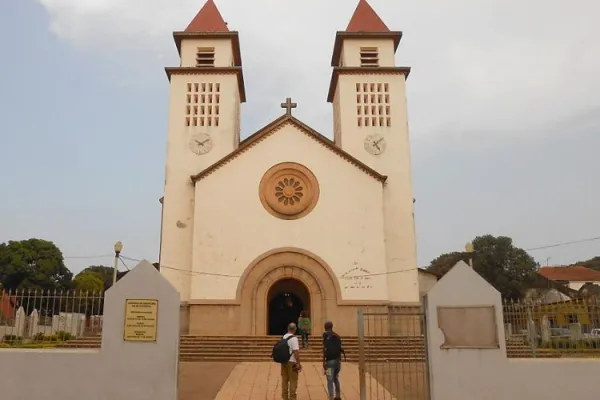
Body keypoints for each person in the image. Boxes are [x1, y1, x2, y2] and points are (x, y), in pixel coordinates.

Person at [322, 321, 344, 400]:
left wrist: (323, 361)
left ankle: (331, 397)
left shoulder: (325, 335)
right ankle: (338, 395)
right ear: (332, 327)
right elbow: (340, 349)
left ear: (325, 327)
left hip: (329, 362)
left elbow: (325, 349)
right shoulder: (337, 336)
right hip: (337, 361)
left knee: (329, 379)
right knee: (336, 378)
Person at [281, 323, 302, 400]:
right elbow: (296, 352)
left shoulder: (284, 337)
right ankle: (292, 397)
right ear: (295, 329)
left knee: (285, 380)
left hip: (284, 361)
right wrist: (299, 363)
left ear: (288, 329)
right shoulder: (294, 338)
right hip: (292, 362)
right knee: (293, 380)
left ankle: (285, 397)